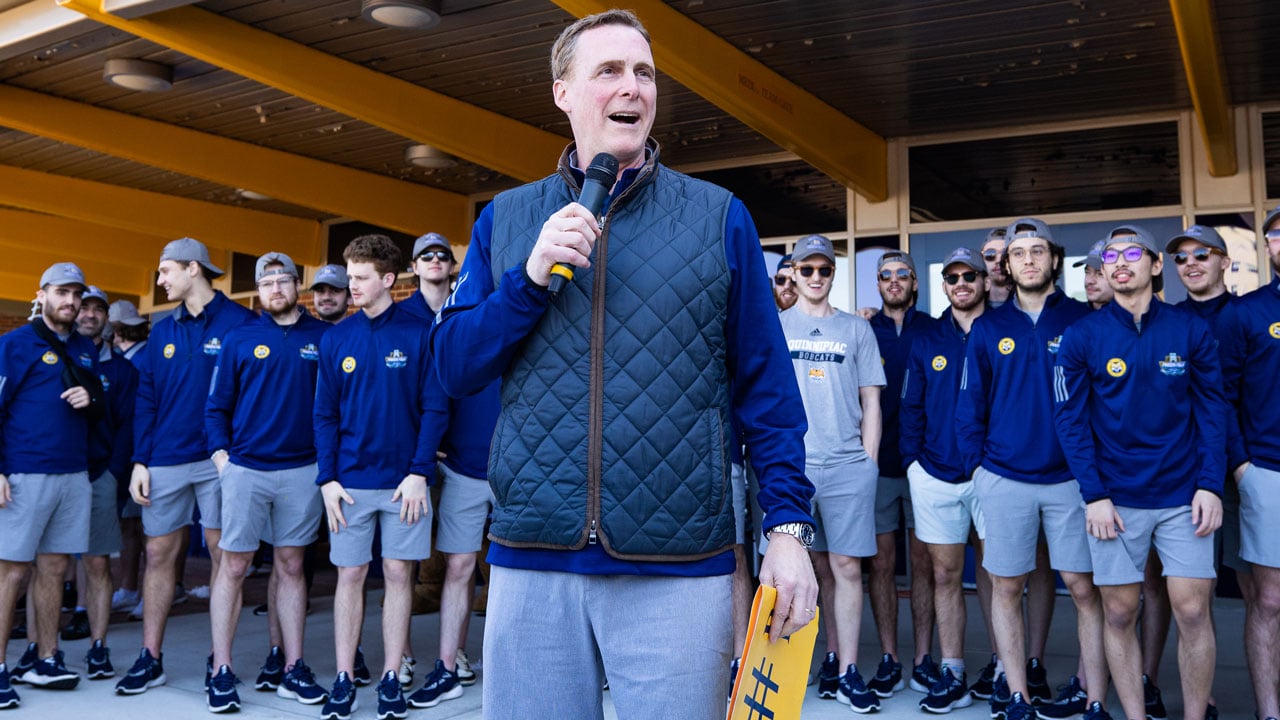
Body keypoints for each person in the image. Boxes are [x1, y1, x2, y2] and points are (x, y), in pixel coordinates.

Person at [432, 10, 817, 719]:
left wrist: (787, 531)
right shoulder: (508, 219)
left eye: (644, 72)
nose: (631, 87)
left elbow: (768, 392)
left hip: (677, 566)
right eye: (608, 70)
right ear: (563, 92)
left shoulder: (718, 216)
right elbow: (453, 369)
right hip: (531, 556)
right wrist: (528, 277)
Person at [1055, 227, 1226, 720]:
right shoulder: (1083, 336)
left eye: (1133, 253)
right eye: (1111, 256)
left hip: (1183, 495)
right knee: (1119, 612)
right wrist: (1094, 495)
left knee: (1192, 611)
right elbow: (1070, 421)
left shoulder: (1189, 329)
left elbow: (1213, 411)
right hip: (1114, 499)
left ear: (1155, 265)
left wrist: (1210, 484)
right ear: (1104, 270)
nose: (1120, 262)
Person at [956, 218, 1108, 720]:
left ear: (1054, 260)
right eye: (1017, 252)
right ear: (1006, 264)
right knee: (1005, 585)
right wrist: (977, 469)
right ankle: (1017, 694)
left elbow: (1102, 406)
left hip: (1070, 479)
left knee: (1084, 589)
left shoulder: (1084, 321)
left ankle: (1094, 698)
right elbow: (968, 404)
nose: (1027, 260)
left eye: (1037, 251)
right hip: (1003, 476)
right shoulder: (988, 327)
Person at [314, 234, 446, 720]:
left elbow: (434, 407)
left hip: (402, 485)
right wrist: (327, 478)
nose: (352, 287)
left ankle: (392, 675)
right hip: (347, 484)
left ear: (388, 279)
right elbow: (324, 415)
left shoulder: (418, 334)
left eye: (361, 278)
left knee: (397, 574)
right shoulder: (336, 338)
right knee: (348, 575)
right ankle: (344, 678)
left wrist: (419, 471)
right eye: (349, 278)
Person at [117, 237, 255, 696]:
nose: (159, 281)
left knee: (222, 555)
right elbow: (148, 398)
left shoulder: (241, 322)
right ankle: (150, 657)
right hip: (167, 458)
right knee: (158, 554)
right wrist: (140, 459)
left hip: (220, 459)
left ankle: (221, 662)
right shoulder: (162, 328)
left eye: (165, 271)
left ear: (193, 269)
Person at [203, 252, 331, 713]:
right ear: (258, 289)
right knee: (233, 568)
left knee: (292, 566)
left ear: (298, 285)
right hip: (246, 470)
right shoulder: (239, 338)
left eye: (284, 279)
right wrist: (223, 461)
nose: (276, 287)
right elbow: (216, 406)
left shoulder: (323, 337)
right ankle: (221, 669)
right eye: (268, 281)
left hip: (302, 470)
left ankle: (294, 667)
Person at [780, 234, 884, 713]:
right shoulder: (776, 326)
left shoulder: (857, 329)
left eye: (824, 270)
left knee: (845, 568)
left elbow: (871, 400)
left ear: (832, 275)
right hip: (792, 467)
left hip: (846, 466)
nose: (816, 278)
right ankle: (794, 665)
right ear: (795, 274)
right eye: (807, 270)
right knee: (797, 569)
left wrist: (868, 462)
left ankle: (847, 671)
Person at [0, 263, 101, 707]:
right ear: (40, 294)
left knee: (55, 568)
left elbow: (99, 407)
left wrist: (92, 396)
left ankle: (46, 658)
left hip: (73, 474)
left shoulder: (84, 347)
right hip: (25, 472)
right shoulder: (14, 344)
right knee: (11, 572)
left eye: (77, 294)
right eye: (62, 292)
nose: (71, 302)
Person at [900, 247, 990, 712]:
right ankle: (953, 669)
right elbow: (910, 408)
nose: (960, 283)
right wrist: (913, 462)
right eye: (952, 276)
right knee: (944, 573)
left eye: (969, 275)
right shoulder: (929, 339)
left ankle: (1003, 668)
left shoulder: (1002, 330)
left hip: (992, 474)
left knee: (1000, 575)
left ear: (984, 281)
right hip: (934, 472)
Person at [866, 250, 937, 697]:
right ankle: (890, 657)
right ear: (877, 283)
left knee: (926, 566)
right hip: (877, 467)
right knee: (882, 565)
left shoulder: (935, 330)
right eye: (886, 275)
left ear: (914, 282)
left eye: (902, 274)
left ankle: (924, 658)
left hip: (927, 467)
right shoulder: (862, 329)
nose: (894, 281)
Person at [1219, 206, 1280, 720]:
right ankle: (1268, 711)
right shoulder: (1245, 313)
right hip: (1267, 471)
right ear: (1267, 248)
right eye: (1277, 234)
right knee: (1269, 601)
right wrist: (1241, 466)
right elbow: (1222, 395)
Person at [107, 299, 149, 615]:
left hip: (143, 453)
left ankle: (146, 589)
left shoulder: (144, 358)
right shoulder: (119, 358)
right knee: (128, 524)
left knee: (145, 528)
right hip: (121, 453)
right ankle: (129, 587)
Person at [1075, 240, 1114, 310]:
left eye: (1100, 274)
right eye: (1087, 272)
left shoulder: (1132, 317)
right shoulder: (1075, 315)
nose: (1089, 281)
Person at [982, 228, 1013, 308]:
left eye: (1005, 254)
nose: (999, 260)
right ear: (982, 259)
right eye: (990, 254)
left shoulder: (1033, 301)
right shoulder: (970, 305)